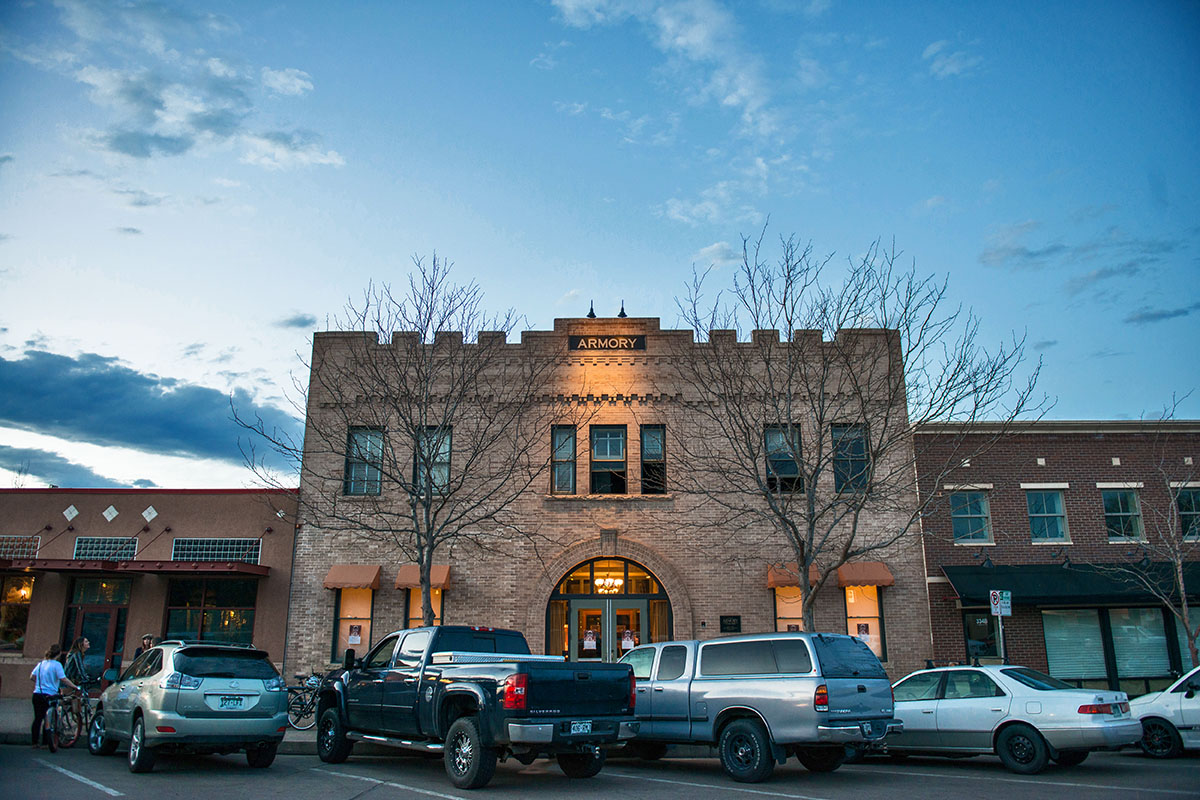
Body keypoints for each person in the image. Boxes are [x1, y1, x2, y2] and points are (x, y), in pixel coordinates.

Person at [30, 643, 78, 749]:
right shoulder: (57, 665)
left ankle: (34, 742)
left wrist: (41, 683)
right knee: (49, 718)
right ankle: (45, 742)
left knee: (38, 718)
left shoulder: (41, 664)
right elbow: (63, 679)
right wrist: (75, 687)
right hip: (50, 694)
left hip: (37, 693)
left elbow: (32, 676)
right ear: (59, 654)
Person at [64, 637, 90, 717]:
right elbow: (80, 667)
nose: (88, 642)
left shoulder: (76, 653)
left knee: (71, 700)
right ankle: (61, 719)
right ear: (81, 644)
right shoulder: (76, 653)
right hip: (67, 680)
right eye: (86, 641)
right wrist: (85, 678)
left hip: (71, 680)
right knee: (66, 702)